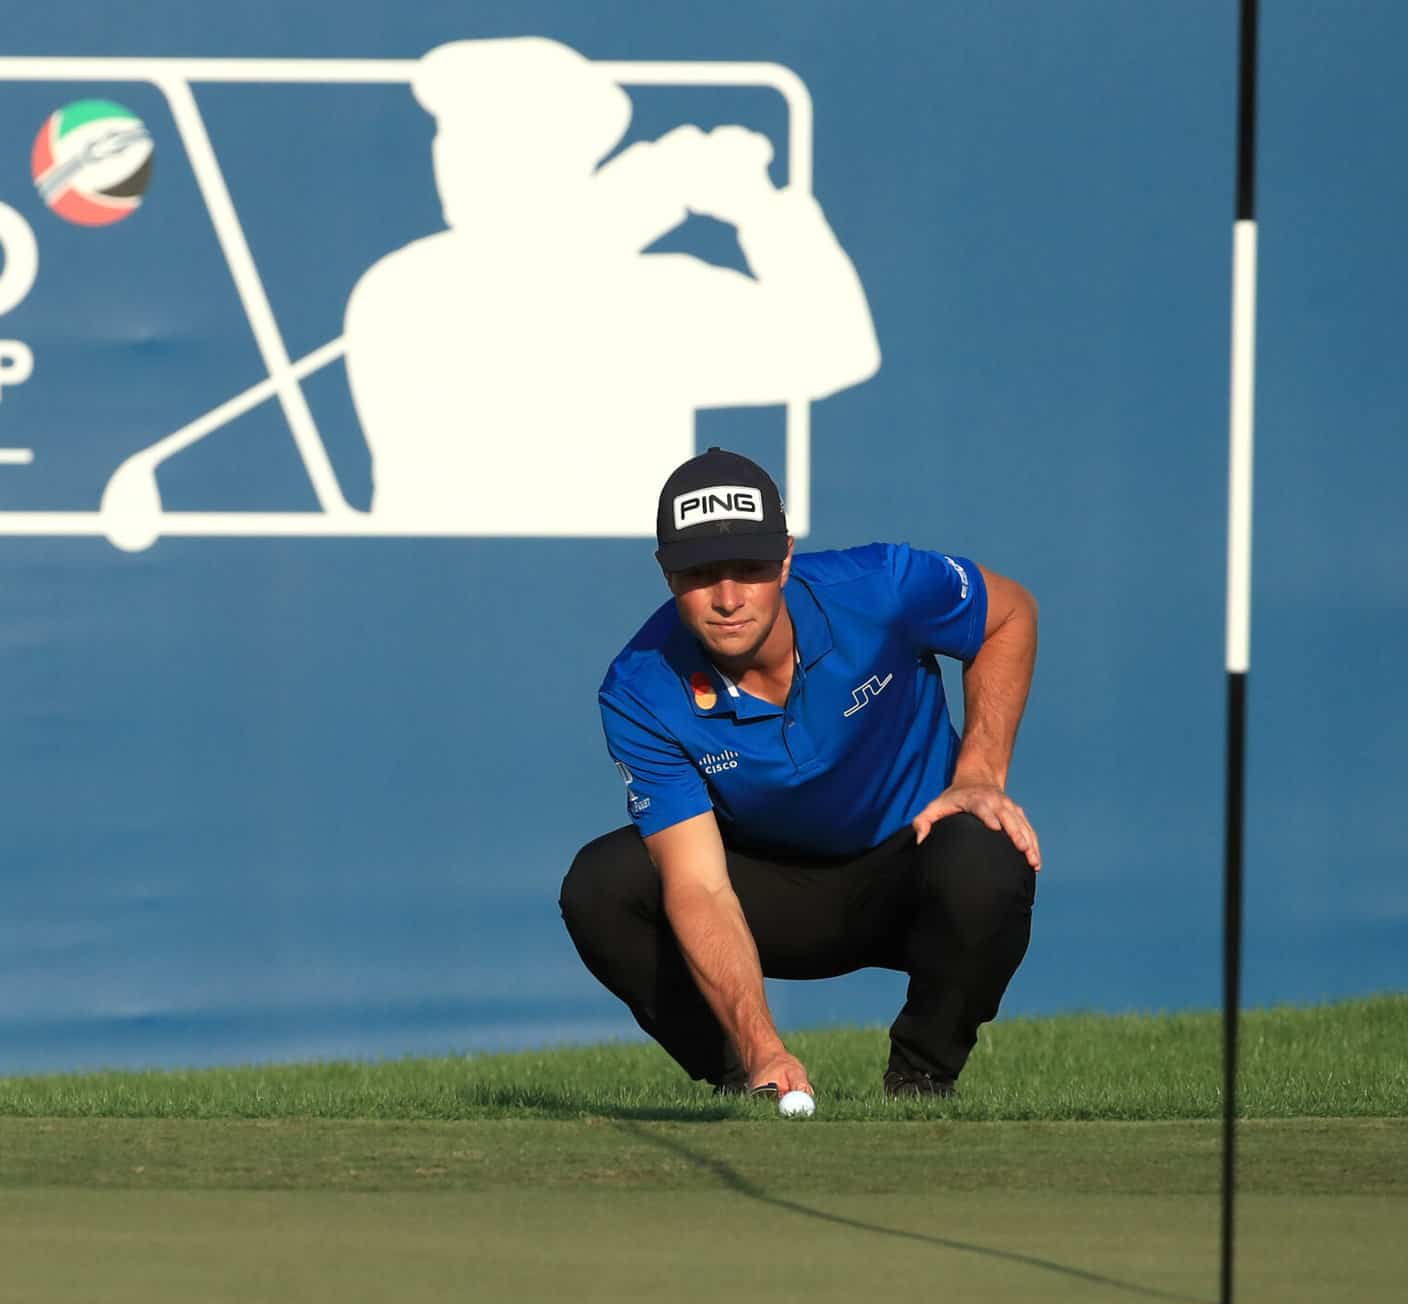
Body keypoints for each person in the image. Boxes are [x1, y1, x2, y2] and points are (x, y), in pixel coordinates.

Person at [557, 448, 1040, 1099]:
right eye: (701, 574)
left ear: (786, 557)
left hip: (915, 866)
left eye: (750, 570)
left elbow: (1009, 614)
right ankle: (750, 1084)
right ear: (666, 574)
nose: (728, 599)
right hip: (768, 893)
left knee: (988, 848)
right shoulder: (640, 687)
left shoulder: (879, 587)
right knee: (603, 886)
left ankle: (923, 1078)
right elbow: (700, 886)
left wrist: (980, 771)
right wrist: (763, 1049)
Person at [342, 36, 880, 534]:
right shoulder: (402, 289)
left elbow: (838, 345)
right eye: (453, 133)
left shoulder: (649, 295)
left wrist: (761, 210)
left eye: (498, 139)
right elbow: (524, 292)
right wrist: (655, 188)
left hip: (620, 593)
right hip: (437, 580)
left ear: (570, 160)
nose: (457, 157)